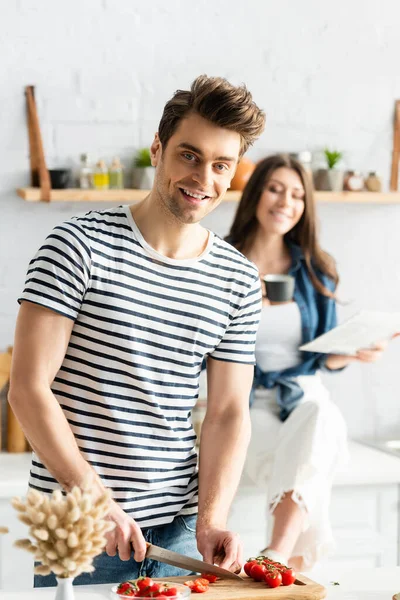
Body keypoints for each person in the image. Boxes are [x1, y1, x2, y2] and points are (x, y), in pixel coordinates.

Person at [8, 75, 266, 587]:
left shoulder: (236, 278)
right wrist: (95, 500)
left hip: (180, 532)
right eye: (189, 156)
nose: (203, 179)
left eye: (221, 165)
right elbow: (28, 389)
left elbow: (228, 412)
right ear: (158, 148)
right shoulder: (77, 247)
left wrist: (212, 518)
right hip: (79, 526)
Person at [226, 154, 392, 571]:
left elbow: (321, 358)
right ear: (255, 194)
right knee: (315, 444)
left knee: (320, 415)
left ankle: (276, 552)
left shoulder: (316, 268)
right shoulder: (221, 262)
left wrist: (349, 353)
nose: (286, 202)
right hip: (244, 402)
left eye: (298, 194)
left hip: (303, 395)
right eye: (276, 189)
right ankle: (286, 566)